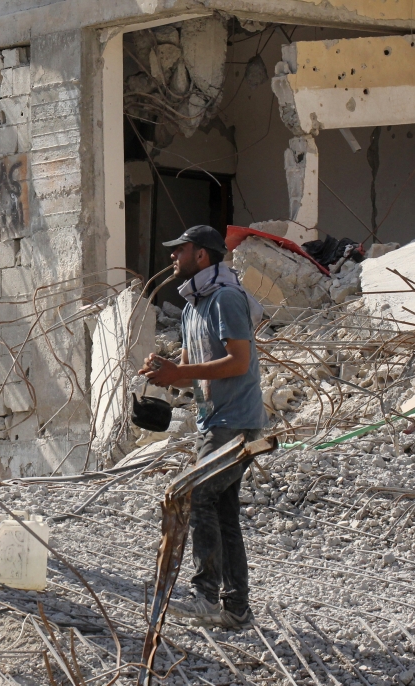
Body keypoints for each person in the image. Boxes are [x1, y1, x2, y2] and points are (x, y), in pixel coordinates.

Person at [141, 225, 266, 629]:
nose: (173, 257)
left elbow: (239, 361)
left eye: (181, 249)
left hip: (235, 422)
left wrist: (180, 370)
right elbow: (190, 374)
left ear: (203, 255)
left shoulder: (226, 298)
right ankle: (235, 608)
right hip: (214, 419)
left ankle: (206, 596)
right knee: (223, 510)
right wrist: (165, 374)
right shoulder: (194, 306)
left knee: (195, 497)